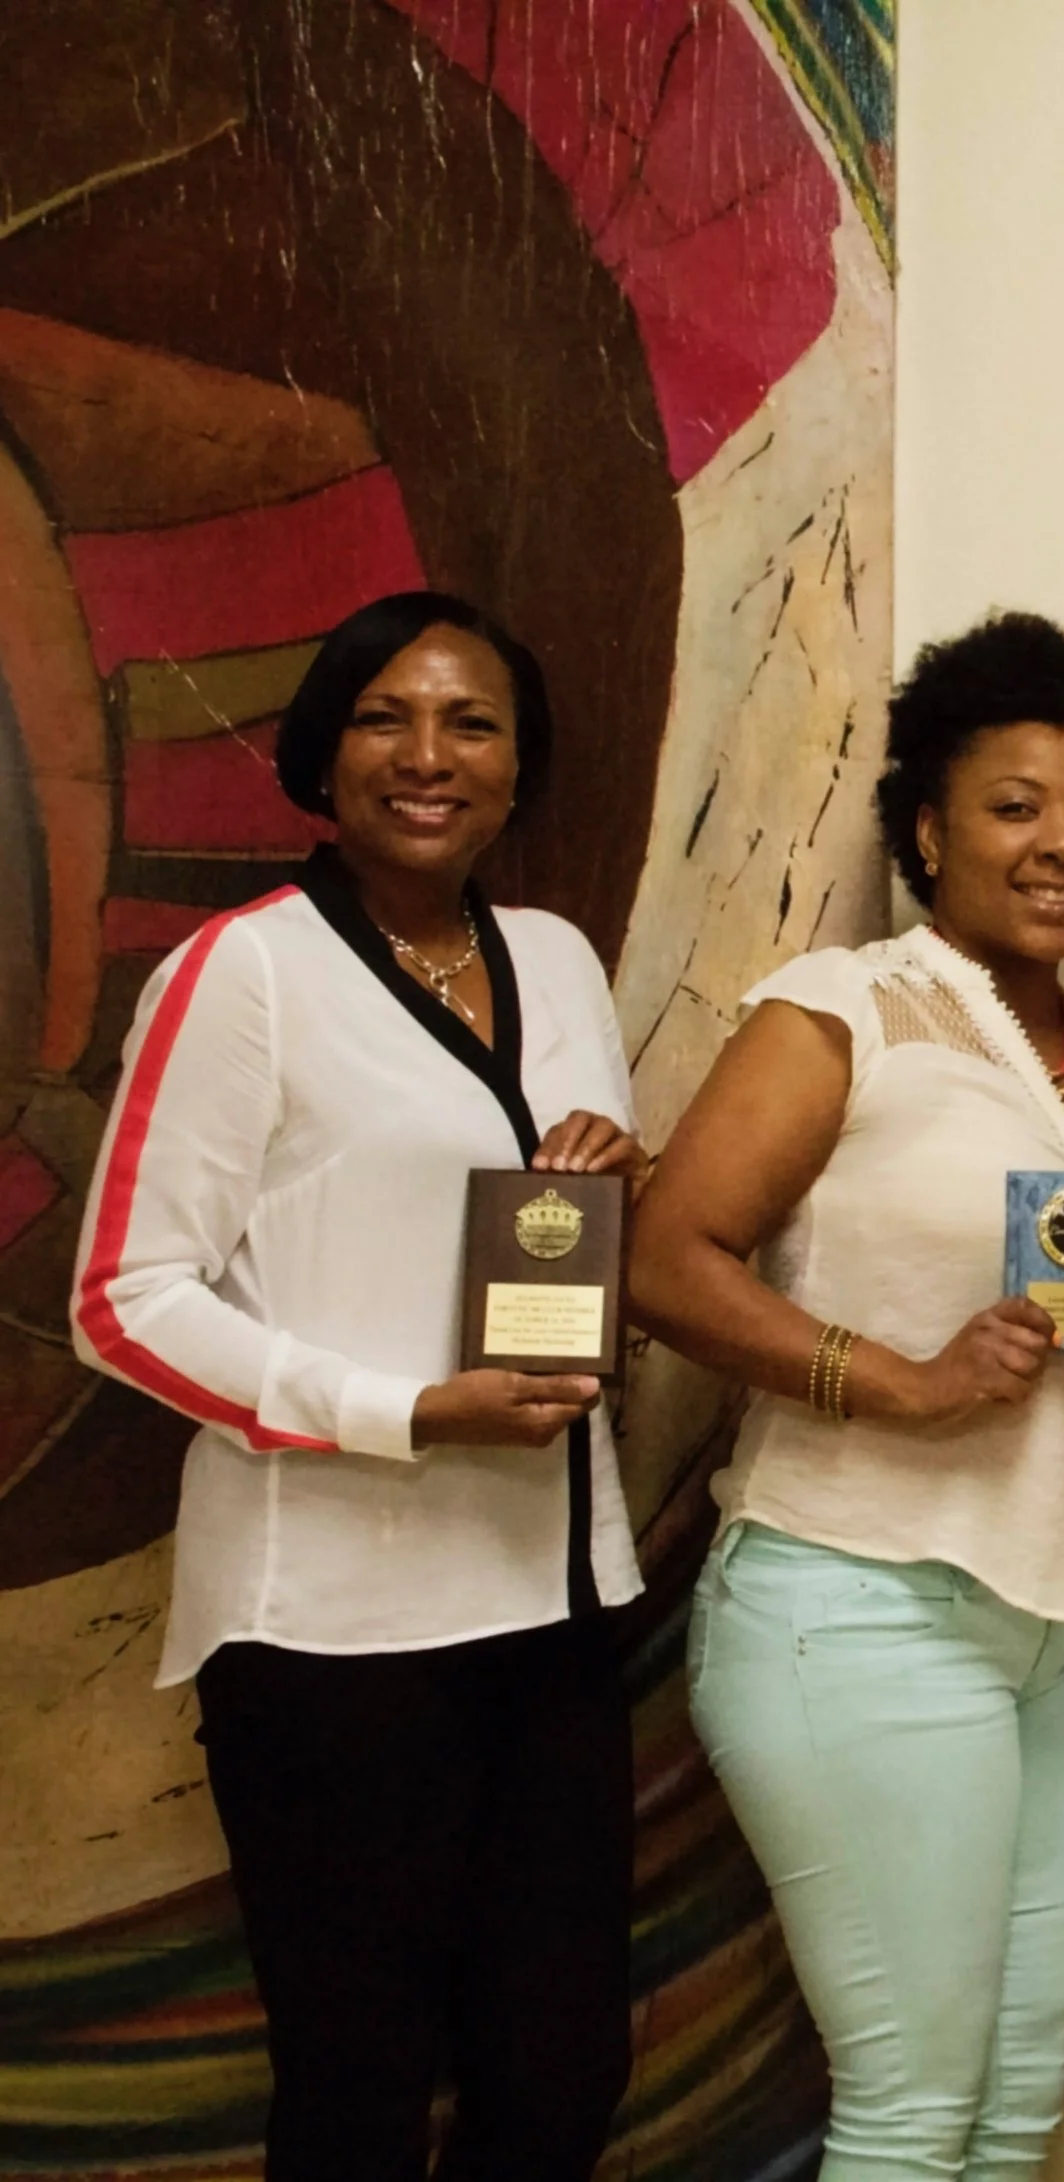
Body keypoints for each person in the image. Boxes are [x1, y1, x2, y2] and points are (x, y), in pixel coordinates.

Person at [68, 592, 648, 2181]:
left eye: (473, 722)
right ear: (322, 755)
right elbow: (121, 1301)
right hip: (335, 1632)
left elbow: (548, 1221)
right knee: (359, 2088)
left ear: (521, 768)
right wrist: (404, 1408)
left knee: (561, 2074)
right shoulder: (242, 974)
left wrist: (612, 1180)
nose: (429, 755)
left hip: (552, 1601)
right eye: (387, 717)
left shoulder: (558, 961)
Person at [628, 612, 1064, 2182]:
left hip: (1048, 1630)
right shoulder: (850, 1006)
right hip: (854, 1601)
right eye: (1017, 806)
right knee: (908, 2104)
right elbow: (669, 1258)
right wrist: (897, 1380)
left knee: (1014, 2106)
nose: (1063, 844)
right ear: (931, 828)